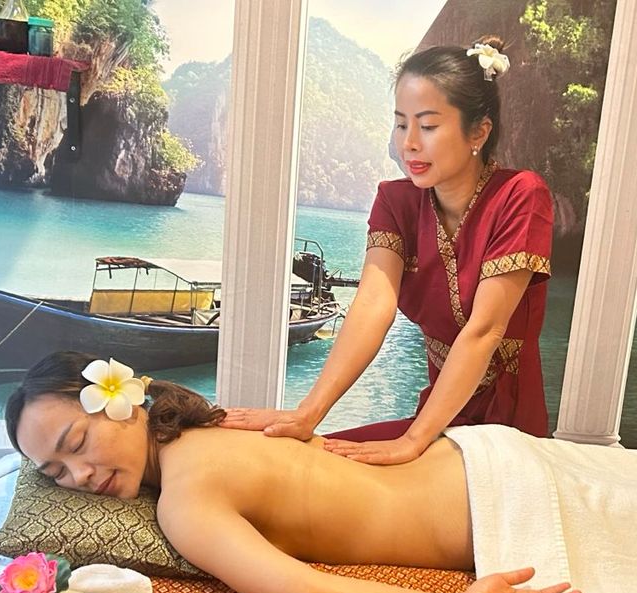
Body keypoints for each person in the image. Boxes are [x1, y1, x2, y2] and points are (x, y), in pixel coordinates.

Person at [4, 351, 582, 593]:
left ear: (124, 401)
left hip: (499, 501)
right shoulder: (215, 423)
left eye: (76, 443)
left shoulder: (185, 502)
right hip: (488, 455)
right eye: (54, 472)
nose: (79, 476)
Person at [222, 36, 554, 466]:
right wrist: (308, 414)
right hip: (437, 419)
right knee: (292, 461)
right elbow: (372, 306)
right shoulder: (396, 202)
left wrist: (412, 442)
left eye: (428, 126)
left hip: (506, 427)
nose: (409, 143)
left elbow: (484, 331)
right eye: (401, 124)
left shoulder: (521, 195)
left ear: (478, 132)